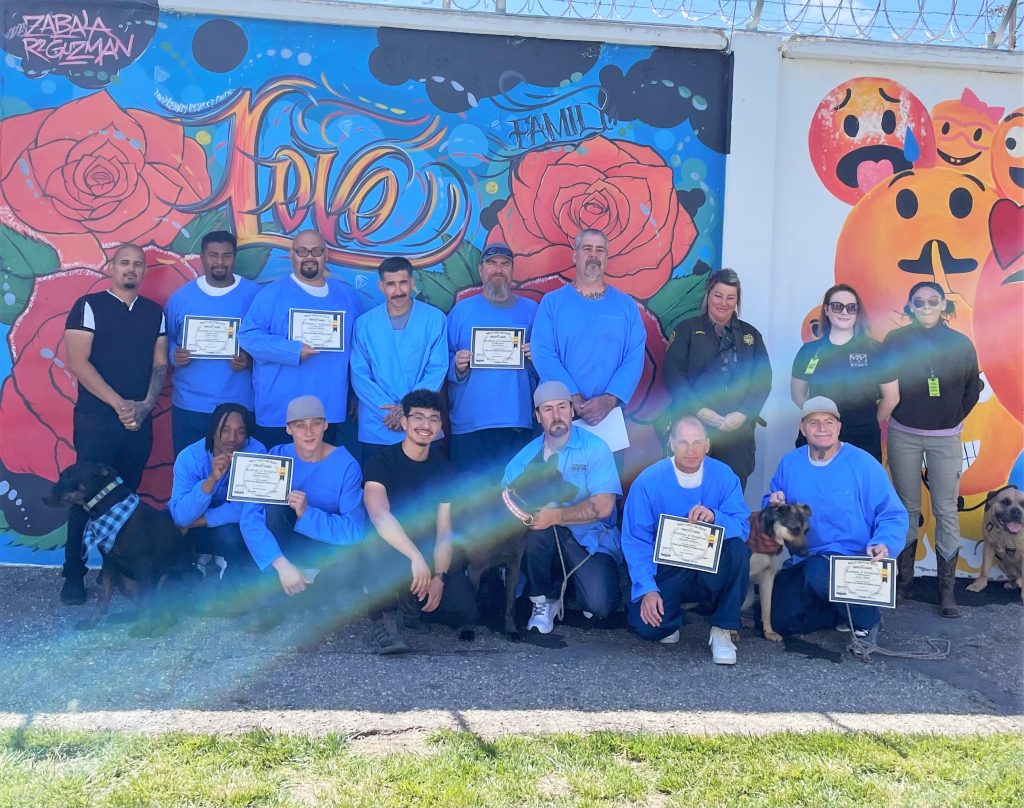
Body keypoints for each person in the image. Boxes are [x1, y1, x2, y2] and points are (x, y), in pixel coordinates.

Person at [60, 243, 168, 605]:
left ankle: (118, 571)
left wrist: (145, 406)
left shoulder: (154, 313)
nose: (131, 269)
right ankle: (73, 574)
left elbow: (159, 364)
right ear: (111, 266)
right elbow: (78, 361)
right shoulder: (89, 306)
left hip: (137, 422)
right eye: (124, 263)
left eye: (138, 264)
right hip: (97, 421)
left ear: (144, 271)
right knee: (83, 499)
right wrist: (119, 403)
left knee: (125, 500)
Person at [767, 397, 908, 643]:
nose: (822, 428)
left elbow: (893, 514)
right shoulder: (789, 464)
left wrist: (884, 542)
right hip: (806, 560)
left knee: (818, 573)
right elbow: (770, 510)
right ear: (803, 429)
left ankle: (867, 621)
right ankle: (841, 609)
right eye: (814, 422)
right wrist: (773, 503)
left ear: (839, 427)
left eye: (828, 422)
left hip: (855, 561)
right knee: (780, 621)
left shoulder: (863, 464)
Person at [883, 282, 982, 618]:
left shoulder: (960, 344)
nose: (925, 306)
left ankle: (946, 591)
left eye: (932, 301)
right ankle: (905, 582)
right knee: (906, 508)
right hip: (903, 434)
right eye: (919, 301)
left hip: (945, 437)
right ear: (910, 306)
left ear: (943, 306)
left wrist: (951, 418)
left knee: (945, 510)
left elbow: (972, 389)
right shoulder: (896, 341)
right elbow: (885, 384)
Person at [621, 416, 751, 665]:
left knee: (737, 549)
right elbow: (636, 540)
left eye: (696, 443)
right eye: (683, 443)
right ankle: (673, 618)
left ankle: (723, 627)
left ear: (707, 444)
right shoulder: (649, 481)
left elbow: (742, 526)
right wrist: (647, 588)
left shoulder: (724, 476)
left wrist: (715, 517)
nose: (690, 451)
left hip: (710, 568)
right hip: (669, 570)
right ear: (671, 443)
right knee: (648, 629)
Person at [361, 389, 477, 654]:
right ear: (404, 422)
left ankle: (411, 602)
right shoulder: (381, 462)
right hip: (391, 547)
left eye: (433, 419)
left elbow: (444, 531)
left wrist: (439, 576)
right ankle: (385, 619)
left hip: (426, 552)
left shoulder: (444, 470)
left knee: (464, 611)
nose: (426, 425)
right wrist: (414, 557)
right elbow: (379, 516)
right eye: (419, 417)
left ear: (439, 427)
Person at [503, 381, 623, 634]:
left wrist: (555, 515)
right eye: (547, 409)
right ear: (537, 416)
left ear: (571, 410)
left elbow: (603, 506)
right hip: (542, 539)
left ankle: (565, 590)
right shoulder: (523, 459)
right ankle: (541, 601)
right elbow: (505, 503)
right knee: (536, 530)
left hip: (590, 540)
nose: (556, 415)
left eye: (561, 407)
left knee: (600, 606)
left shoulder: (595, 448)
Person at [239, 395, 366, 631]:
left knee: (346, 575)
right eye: (300, 425)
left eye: (315, 423)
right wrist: (282, 565)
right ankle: (286, 585)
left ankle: (304, 592)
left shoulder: (347, 465)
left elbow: (355, 531)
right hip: (287, 550)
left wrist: (308, 514)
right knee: (273, 509)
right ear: (288, 429)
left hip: (326, 550)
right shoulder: (276, 456)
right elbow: (250, 520)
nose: (309, 432)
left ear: (326, 425)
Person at [238, 230, 359, 451]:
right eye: (302, 251)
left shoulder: (346, 297)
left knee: (319, 478)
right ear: (291, 255)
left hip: (327, 409)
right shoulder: (272, 294)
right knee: (279, 479)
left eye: (316, 251)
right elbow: (248, 336)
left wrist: (354, 393)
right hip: (281, 411)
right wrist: (291, 350)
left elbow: (356, 350)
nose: (309, 257)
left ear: (326, 255)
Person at [530, 230, 646, 444]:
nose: (594, 255)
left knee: (608, 477)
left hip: (609, 420)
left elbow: (635, 356)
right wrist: (573, 397)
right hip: (562, 416)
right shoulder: (552, 303)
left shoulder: (626, 306)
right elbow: (543, 352)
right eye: (587, 249)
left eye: (600, 250)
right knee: (560, 477)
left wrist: (609, 400)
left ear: (606, 258)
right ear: (575, 256)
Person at [663, 268, 772, 490]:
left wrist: (743, 414)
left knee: (729, 490)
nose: (723, 303)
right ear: (707, 296)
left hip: (736, 430)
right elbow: (673, 375)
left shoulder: (751, 336)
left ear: (737, 300)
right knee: (686, 489)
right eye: (718, 295)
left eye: (731, 297)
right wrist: (700, 411)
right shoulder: (687, 330)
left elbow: (763, 379)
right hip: (692, 426)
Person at [446, 243, 538, 481]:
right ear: (481, 270)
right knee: (469, 502)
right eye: (492, 263)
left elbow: (546, 366)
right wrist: (457, 366)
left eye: (504, 264)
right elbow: (440, 361)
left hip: (516, 421)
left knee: (514, 499)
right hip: (470, 424)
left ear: (512, 270)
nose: (498, 269)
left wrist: (533, 359)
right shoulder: (460, 312)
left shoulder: (532, 311)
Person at [165, 231, 259, 454]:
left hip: (240, 405)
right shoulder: (181, 298)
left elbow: (267, 342)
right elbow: (166, 338)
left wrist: (250, 360)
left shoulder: (255, 296)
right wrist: (174, 354)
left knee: (238, 477)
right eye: (213, 255)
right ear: (202, 257)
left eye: (226, 256)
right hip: (191, 405)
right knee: (191, 471)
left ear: (234, 257)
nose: (219, 262)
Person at [169, 403, 265, 608]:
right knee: (166, 525)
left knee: (231, 534)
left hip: (219, 526)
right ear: (213, 430)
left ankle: (231, 583)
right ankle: (191, 565)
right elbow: (180, 517)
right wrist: (211, 480)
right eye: (225, 430)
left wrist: (197, 523)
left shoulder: (256, 451)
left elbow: (245, 508)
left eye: (241, 432)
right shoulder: (190, 457)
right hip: (193, 525)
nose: (232, 438)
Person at [351, 258, 447, 463]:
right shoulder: (365, 324)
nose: (398, 290)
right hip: (378, 423)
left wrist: (407, 409)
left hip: (421, 423)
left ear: (412, 283)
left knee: (421, 493)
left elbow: (437, 369)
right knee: (375, 487)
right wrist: (391, 411)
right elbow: (359, 375)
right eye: (391, 284)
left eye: (403, 283)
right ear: (381, 286)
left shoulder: (435, 319)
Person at [791, 284, 898, 462]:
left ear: (857, 312)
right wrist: (819, 421)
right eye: (837, 306)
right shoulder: (809, 351)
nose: (844, 312)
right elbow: (797, 395)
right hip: (819, 438)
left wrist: (867, 422)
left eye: (851, 307)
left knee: (860, 489)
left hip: (862, 439)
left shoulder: (877, 351)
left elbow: (892, 398)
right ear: (826, 309)